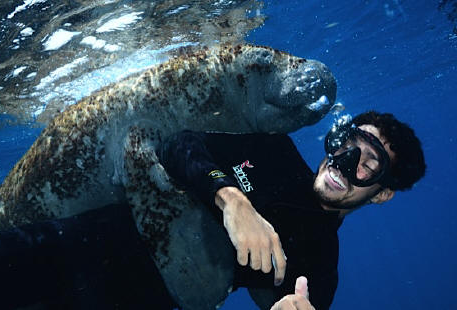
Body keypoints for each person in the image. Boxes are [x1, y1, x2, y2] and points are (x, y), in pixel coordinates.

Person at [157, 110, 426, 309]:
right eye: (348, 146)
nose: (345, 162)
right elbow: (178, 144)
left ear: (382, 194)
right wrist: (230, 198)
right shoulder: (275, 149)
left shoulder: (319, 270)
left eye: (367, 165)